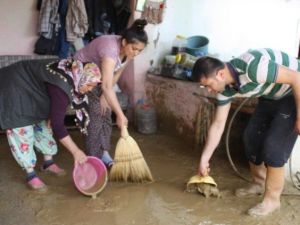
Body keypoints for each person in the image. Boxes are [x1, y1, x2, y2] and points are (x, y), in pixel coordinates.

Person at [191, 48, 300, 216]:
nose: (208, 91)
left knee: (273, 148)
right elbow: (218, 124)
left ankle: (272, 201)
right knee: (250, 138)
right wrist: (204, 159)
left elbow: (296, 77)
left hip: (293, 93)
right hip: (270, 96)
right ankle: (258, 183)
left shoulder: (253, 67)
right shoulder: (225, 89)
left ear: (220, 74)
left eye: (208, 85)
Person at [0, 58, 101, 191]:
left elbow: (60, 104)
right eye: (88, 85)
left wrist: (53, 115)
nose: (89, 90)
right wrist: (76, 151)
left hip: (33, 90)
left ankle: (48, 163)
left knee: (44, 126)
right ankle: (30, 174)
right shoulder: (61, 83)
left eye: (92, 87)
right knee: (22, 129)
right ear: (81, 77)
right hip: (14, 85)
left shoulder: (72, 75)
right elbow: (58, 126)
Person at [74, 19, 148, 168]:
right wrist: (120, 115)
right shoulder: (110, 49)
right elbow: (107, 86)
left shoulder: (128, 52)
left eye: (140, 50)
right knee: (95, 114)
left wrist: (104, 96)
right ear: (124, 42)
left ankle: (104, 153)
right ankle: (93, 158)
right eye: (134, 49)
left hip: (99, 78)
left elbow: (116, 73)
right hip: (81, 76)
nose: (137, 53)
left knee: (106, 111)